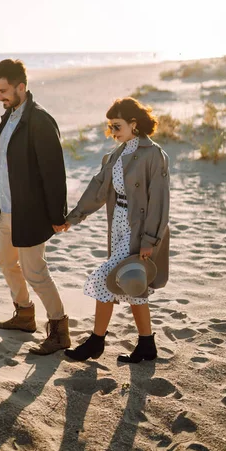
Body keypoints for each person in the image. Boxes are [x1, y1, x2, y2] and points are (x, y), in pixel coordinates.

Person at [60, 97, 170, 363]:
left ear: (134, 123)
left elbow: (159, 200)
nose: (113, 131)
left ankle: (96, 343)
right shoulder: (114, 155)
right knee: (133, 283)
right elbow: (99, 190)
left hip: (139, 230)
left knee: (103, 280)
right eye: (110, 127)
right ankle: (147, 344)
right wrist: (72, 218)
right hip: (118, 224)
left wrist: (150, 239)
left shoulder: (154, 154)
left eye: (117, 125)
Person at [0, 58, 70, 355]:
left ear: (21, 87)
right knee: (6, 262)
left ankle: (59, 329)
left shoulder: (40, 121)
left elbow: (53, 172)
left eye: (3, 90)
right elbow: (7, 158)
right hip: (6, 208)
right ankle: (24, 314)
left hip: (30, 212)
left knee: (35, 271)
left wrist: (57, 216)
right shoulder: (10, 115)